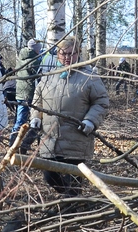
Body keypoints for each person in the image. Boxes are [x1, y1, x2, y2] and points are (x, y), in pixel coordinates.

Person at [29, 38, 109, 196]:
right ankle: (71, 202)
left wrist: (90, 121)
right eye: (63, 53)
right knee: (49, 176)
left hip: (76, 140)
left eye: (71, 53)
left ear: (78, 54)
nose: (67, 57)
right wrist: (36, 116)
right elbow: (37, 98)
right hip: (49, 140)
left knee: (73, 181)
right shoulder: (50, 76)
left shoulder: (88, 76)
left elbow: (102, 102)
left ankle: (73, 211)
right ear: (57, 54)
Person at [10, 39, 42, 151]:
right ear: (36, 49)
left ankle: (13, 143)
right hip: (28, 94)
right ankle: (14, 145)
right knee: (26, 120)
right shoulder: (34, 61)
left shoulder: (22, 57)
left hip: (20, 93)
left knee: (19, 120)